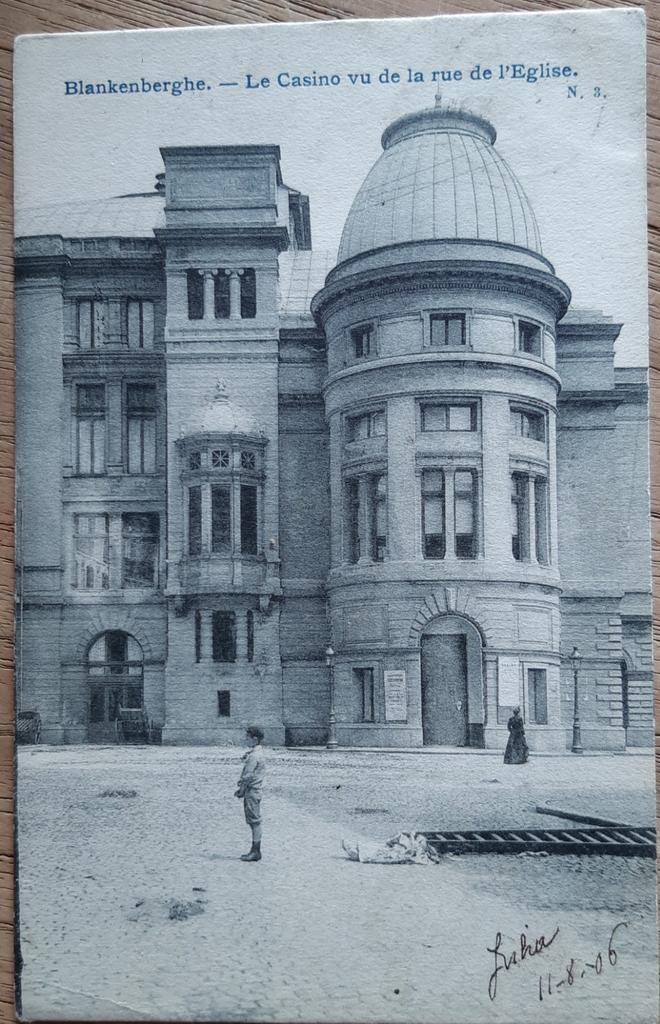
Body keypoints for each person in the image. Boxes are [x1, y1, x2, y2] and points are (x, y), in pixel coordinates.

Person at [235, 725, 266, 862]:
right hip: (255, 791)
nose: (245, 739)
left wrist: (241, 790)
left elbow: (247, 776)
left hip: (252, 791)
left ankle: (256, 851)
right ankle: (255, 850)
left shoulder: (254, 756)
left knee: (254, 821)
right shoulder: (256, 753)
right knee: (254, 821)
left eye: (247, 737)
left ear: (254, 739)